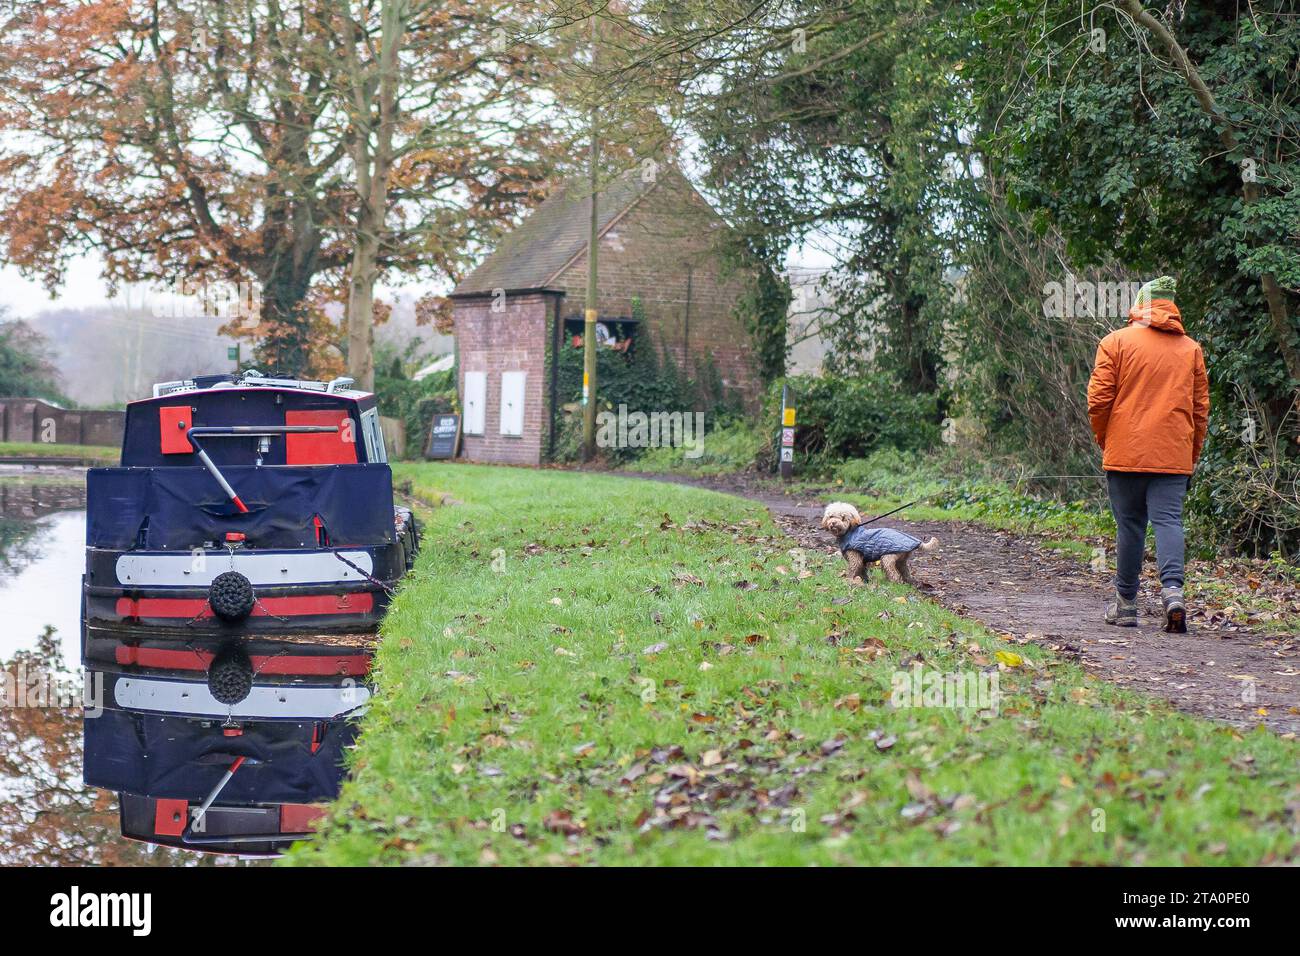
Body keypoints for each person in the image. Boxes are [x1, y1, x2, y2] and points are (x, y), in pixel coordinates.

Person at [1086, 275, 1210, 632]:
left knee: (1130, 525)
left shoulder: (1115, 343)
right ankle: (1173, 593)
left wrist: (1106, 439)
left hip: (1126, 451)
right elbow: (1200, 411)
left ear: (1140, 303)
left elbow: (1098, 401)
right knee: (1169, 522)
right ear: (1172, 307)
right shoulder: (1191, 351)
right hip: (1173, 456)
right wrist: (1191, 454)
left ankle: (1125, 604)